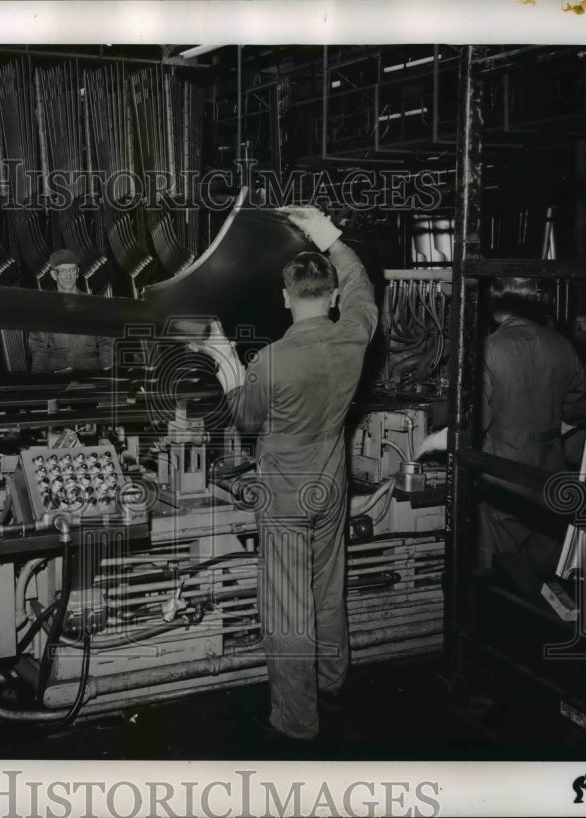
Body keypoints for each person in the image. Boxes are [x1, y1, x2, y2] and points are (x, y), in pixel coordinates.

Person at [193, 206, 378, 742]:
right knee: (328, 592)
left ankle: (296, 720)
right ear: (334, 296)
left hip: (285, 495)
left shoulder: (272, 359)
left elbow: (245, 418)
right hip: (331, 483)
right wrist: (329, 235)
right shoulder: (355, 335)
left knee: (288, 606)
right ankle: (333, 685)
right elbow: (361, 282)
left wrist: (227, 363)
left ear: (284, 298)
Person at [415, 277, 586, 571]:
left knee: (499, 573)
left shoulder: (488, 349)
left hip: (504, 477)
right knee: (547, 577)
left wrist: (430, 443)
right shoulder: (562, 344)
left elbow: (469, 424)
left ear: (492, 307)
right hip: (552, 476)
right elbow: (579, 410)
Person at [28, 249, 113, 373]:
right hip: (57, 375)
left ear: (77, 272)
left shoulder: (94, 304)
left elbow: (105, 342)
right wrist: (38, 381)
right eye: (62, 271)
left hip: (90, 373)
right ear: (54, 274)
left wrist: (107, 371)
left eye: (72, 270)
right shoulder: (44, 307)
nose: (68, 276)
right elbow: (38, 349)